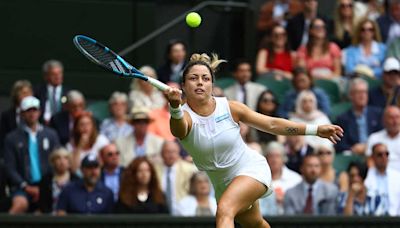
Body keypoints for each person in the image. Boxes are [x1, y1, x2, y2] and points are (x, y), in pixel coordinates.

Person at [165, 53, 343, 228]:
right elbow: (178, 130)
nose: (200, 83)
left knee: (224, 211)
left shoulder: (230, 107)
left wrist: (315, 130)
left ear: (212, 84)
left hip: (250, 169)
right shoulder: (184, 115)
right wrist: (175, 107)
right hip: (223, 183)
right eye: (193, 78)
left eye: (205, 78)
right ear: (183, 86)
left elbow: (272, 124)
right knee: (256, 224)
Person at [4, 96, 60, 214]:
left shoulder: (51, 135)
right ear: (22, 114)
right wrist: (25, 186)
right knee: (20, 204)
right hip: (22, 186)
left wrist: (44, 187)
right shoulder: (12, 138)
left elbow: (57, 161)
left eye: (34, 110)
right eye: (28, 111)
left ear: (39, 112)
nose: (32, 114)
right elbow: (10, 167)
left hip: (48, 186)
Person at [335, 78, 383, 154]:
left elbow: (383, 137)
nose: (362, 95)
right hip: (353, 157)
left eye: (364, 92)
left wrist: (367, 146)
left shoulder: (378, 114)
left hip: (376, 154)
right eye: (358, 92)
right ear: (351, 95)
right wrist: (352, 148)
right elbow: (340, 144)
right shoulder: (343, 119)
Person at [154, 140, 197, 214]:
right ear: (162, 154)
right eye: (167, 152)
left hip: (183, 211)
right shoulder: (154, 170)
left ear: (178, 153)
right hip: (159, 211)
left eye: (174, 152)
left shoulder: (190, 170)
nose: (171, 155)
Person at [261, 141, 302, 215]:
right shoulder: (260, 179)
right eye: (271, 156)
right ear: (266, 158)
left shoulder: (296, 179)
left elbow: (302, 203)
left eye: (277, 156)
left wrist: (286, 199)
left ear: (284, 158)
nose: (274, 160)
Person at [39, 147, 79, 214]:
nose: (62, 161)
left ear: (69, 162)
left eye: (65, 158)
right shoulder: (46, 180)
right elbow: (43, 203)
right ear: (53, 162)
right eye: (58, 158)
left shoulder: (76, 180)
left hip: (71, 217)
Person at [0, 80, 33, 158]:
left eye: (29, 93)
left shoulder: (37, 114)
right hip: (13, 153)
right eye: (23, 93)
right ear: (16, 95)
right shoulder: (6, 116)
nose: (26, 96)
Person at [365, 143, 400, 216]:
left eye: (386, 154)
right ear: (373, 157)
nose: (384, 157)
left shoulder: (397, 176)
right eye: (380, 154)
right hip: (372, 219)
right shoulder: (366, 176)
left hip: (395, 219)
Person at [34, 60, 69, 124]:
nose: (57, 77)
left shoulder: (69, 93)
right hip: (43, 125)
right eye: (53, 74)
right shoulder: (37, 91)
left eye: (59, 73)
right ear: (46, 76)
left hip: (62, 125)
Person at [366, 106, 400, 172]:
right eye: (391, 118)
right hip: (381, 178)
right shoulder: (374, 138)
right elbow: (370, 162)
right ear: (384, 120)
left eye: (397, 117)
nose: (395, 121)